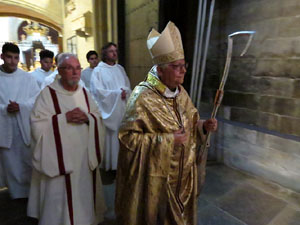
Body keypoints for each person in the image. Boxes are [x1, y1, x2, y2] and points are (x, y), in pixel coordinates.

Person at [115, 22, 218, 225]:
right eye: (176, 67)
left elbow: (192, 121)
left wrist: (203, 126)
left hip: (184, 178)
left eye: (183, 66)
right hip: (158, 182)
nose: (182, 72)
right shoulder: (143, 97)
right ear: (160, 71)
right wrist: (167, 140)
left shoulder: (181, 93)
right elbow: (127, 138)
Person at [27, 53, 106, 225]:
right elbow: (36, 124)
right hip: (59, 160)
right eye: (70, 68)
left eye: (78, 68)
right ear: (60, 70)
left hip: (84, 159)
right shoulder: (47, 95)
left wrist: (88, 118)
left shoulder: (84, 93)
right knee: (59, 201)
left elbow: (98, 117)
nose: (75, 72)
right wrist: (64, 119)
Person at [0, 42, 40, 199]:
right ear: (2, 57)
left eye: (16, 58)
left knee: (26, 160)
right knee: (10, 162)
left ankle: (30, 193)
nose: (12, 61)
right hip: (4, 126)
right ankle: (15, 193)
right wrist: (4, 109)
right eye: (9, 57)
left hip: (24, 127)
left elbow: (37, 99)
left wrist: (21, 107)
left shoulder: (27, 78)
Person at [90, 42, 131, 171]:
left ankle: (121, 164)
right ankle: (110, 166)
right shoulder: (98, 71)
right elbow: (97, 92)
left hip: (122, 109)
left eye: (115, 51)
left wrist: (125, 92)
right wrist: (117, 94)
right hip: (109, 110)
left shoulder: (120, 69)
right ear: (104, 54)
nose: (114, 53)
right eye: (111, 51)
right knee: (110, 138)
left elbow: (128, 86)